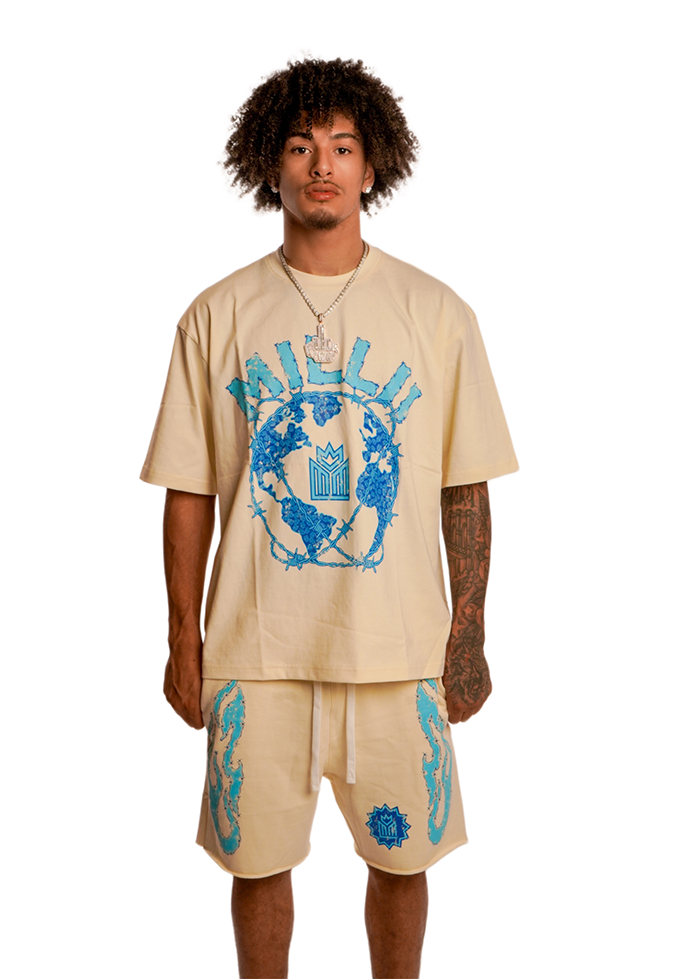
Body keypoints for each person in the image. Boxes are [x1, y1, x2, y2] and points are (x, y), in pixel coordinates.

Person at [141, 58, 518, 978]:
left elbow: (464, 487)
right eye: (302, 147)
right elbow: (189, 490)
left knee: (403, 862)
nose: (323, 165)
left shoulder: (437, 313)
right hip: (255, 653)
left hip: (398, 650)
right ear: (267, 165)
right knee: (256, 867)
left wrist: (469, 632)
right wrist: (184, 641)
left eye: (343, 148)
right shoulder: (216, 316)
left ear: (371, 167)